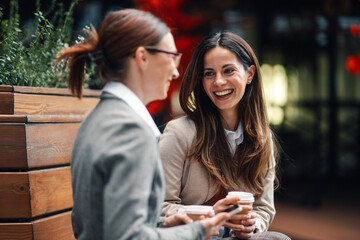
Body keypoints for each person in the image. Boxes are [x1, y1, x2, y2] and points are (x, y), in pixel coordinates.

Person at [56, 9, 231, 240]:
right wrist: (196, 231)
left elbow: (113, 222)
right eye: (171, 56)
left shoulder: (101, 118)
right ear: (143, 57)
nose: (176, 70)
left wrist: (163, 223)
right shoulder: (130, 130)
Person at [159, 32, 290, 239]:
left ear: (250, 74)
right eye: (209, 74)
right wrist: (209, 216)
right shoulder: (179, 133)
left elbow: (264, 208)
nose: (218, 82)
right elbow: (159, 206)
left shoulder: (261, 139)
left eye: (228, 71)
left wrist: (252, 224)